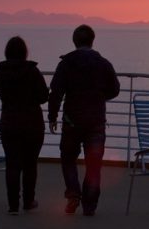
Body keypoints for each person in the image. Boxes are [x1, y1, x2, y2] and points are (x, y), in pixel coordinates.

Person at [47, 24, 120, 216]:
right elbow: (115, 89)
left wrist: (52, 116)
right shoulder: (103, 63)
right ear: (92, 40)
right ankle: (90, 205)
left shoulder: (66, 63)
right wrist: (99, 97)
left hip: (72, 120)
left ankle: (73, 194)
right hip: (96, 120)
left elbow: (56, 92)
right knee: (94, 164)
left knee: (68, 158)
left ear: (74, 41)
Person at [0, 36, 49, 215]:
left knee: (12, 164)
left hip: (9, 122)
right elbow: (43, 96)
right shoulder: (32, 71)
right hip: (32, 123)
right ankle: (28, 201)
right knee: (30, 164)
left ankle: (12, 205)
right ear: (25, 52)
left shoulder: (1, 71)